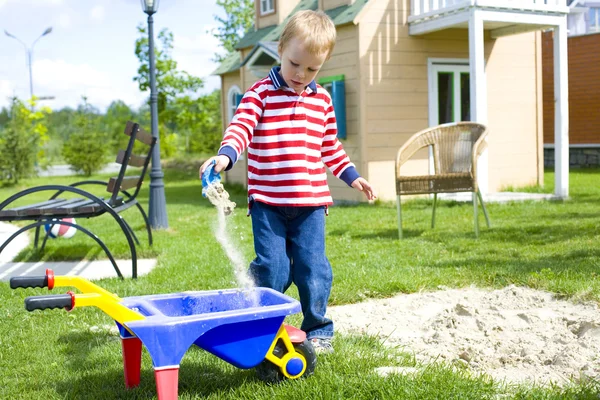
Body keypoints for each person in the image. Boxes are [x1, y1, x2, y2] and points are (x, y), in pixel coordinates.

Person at [200, 9, 376, 354]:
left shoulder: (322, 100)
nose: (302, 74)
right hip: (268, 204)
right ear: (281, 49)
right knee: (273, 268)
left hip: (311, 205)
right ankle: (263, 322)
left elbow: (330, 147)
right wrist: (225, 156)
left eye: (313, 69)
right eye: (296, 64)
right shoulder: (259, 94)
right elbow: (241, 129)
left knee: (313, 268)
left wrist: (352, 176)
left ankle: (318, 328)